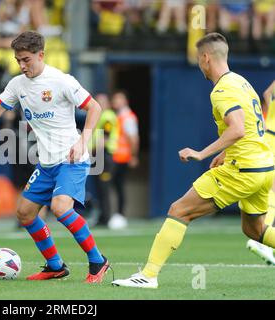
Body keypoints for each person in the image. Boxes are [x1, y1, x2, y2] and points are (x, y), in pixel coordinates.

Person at [112, 33, 275, 288]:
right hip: (263, 167)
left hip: (242, 169)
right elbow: (252, 128)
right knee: (254, 230)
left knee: (179, 210)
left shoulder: (221, 90)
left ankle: (148, 275)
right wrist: (224, 153)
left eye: (200, 60)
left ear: (205, 57)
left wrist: (201, 153)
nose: (200, 65)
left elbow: (238, 129)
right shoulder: (241, 82)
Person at [0, 31, 110, 283]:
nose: (22, 65)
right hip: (47, 163)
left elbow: (95, 107)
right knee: (25, 213)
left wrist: (84, 141)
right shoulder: (17, 84)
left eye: (26, 59)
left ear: (41, 55)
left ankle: (97, 261)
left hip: (71, 159)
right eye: (18, 60)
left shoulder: (62, 81)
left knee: (61, 208)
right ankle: (55, 266)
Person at [246, 79, 275, 265]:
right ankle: (262, 239)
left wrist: (266, 121)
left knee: (271, 191)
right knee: (272, 191)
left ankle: (266, 241)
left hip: (269, 135)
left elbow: (266, 93)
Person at [109, 90, 140, 230]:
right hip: (116, 156)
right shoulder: (117, 116)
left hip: (122, 157)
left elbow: (133, 138)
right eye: (115, 99)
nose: (116, 102)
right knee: (115, 185)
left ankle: (120, 215)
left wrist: (133, 156)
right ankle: (115, 215)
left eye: (119, 99)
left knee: (118, 186)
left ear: (125, 101)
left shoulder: (127, 117)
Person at [89, 93, 119, 227]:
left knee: (104, 187)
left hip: (104, 156)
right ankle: (102, 216)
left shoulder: (108, 116)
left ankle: (106, 217)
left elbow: (104, 138)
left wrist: (89, 152)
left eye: (102, 101)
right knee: (99, 188)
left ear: (107, 103)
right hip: (98, 155)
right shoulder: (98, 116)